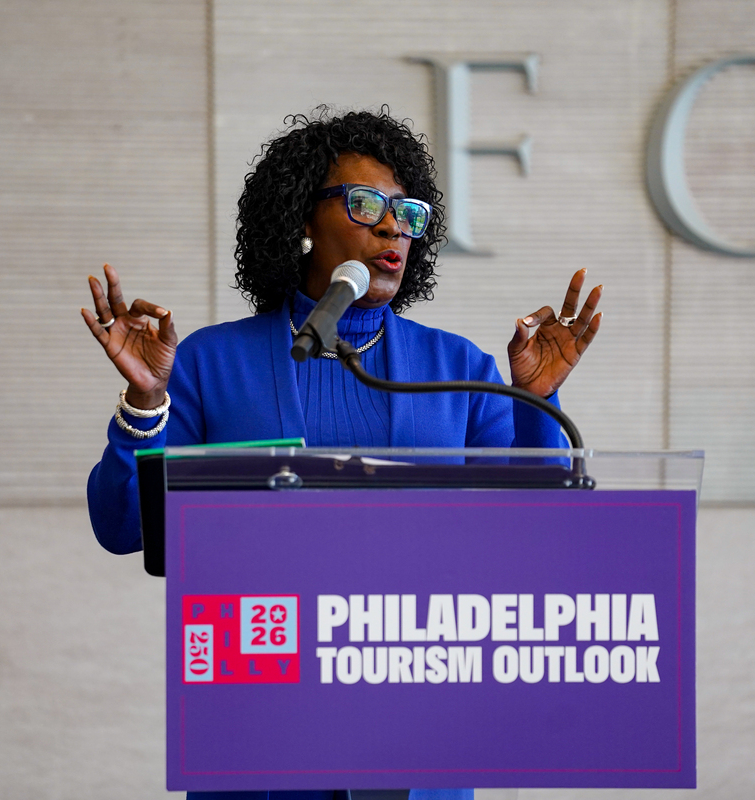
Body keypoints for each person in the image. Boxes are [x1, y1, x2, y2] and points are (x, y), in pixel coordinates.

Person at [81, 109, 602, 800]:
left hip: (424, 747)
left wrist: (539, 403)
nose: (393, 227)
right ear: (301, 218)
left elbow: (540, 550)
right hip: (260, 748)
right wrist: (147, 403)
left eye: (407, 212)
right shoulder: (211, 362)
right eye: (366, 205)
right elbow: (123, 527)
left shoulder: (461, 367)